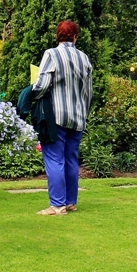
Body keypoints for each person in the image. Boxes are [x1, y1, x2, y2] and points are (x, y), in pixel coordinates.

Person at [32, 20, 93, 215]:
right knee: (71, 159)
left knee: (54, 159)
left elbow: (41, 85)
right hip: (78, 117)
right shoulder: (84, 58)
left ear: (58, 35)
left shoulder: (52, 54)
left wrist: (31, 94)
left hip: (55, 116)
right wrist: (84, 112)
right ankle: (70, 202)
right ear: (75, 37)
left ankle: (57, 205)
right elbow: (89, 92)